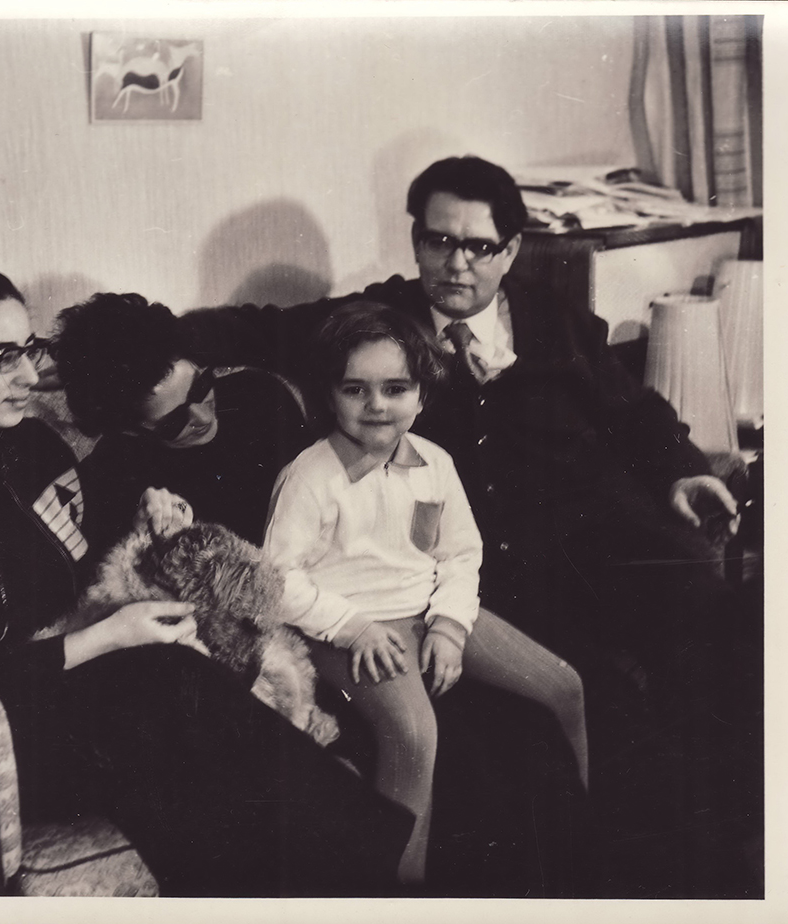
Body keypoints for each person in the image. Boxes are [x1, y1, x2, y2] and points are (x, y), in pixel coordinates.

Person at [180, 156, 762, 895]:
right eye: (439, 241)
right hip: (492, 581)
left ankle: (743, 838)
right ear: (417, 242)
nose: (457, 263)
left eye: (479, 246)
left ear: (511, 250)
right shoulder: (380, 326)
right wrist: (140, 343)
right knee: (592, 713)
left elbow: (636, 413)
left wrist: (681, 471)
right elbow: (252, 329)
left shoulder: (554, 319)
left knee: (720, 621)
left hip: (591, 546)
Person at [0, 261, 414, 898]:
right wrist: (108, 637)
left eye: (28, 349)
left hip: (95, 690)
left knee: (193, 725)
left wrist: (144, 521)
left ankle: (342, 881)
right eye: (0, 357)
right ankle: (381, 880)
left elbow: (89, 567)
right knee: (171, 692)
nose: (30, 377)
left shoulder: (34, 447)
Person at [262, 301, 588, 886]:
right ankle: (400, 890)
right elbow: (278, 581)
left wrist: (451, 626)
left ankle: (581, 839)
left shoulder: (436, 463)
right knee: (413, 735)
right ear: (329, 396)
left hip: (428, 611)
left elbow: (460, 554)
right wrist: (354, 627)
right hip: (347, 629)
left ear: (421, 395)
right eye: (355, 389)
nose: (377, 405)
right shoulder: (309, 476)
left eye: (396, 388)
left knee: (564, 685)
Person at [51, 291, 312, 551]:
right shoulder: (111, 476)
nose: (203, 416)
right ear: (130, 431)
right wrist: (137, 537)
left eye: (201, 386)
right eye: (174, 422)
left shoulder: (260, 396)